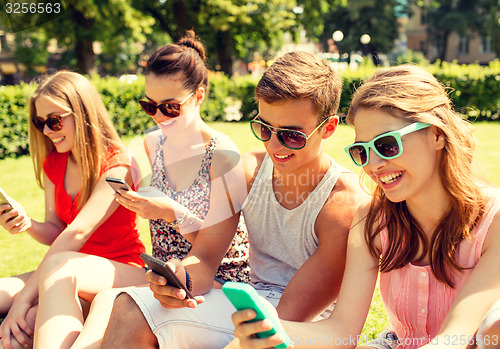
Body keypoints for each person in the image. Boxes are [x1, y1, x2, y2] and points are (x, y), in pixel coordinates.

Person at [94, 50, 365, 349]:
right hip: (246, 302)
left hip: (300, 330)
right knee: (129, 305)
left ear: (328, 128)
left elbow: (291, 314)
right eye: (264, 128)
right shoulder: (249, 169)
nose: (273, 145)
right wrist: (180, 281)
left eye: (291, 136)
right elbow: (207, 256)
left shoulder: (343, 203)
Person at [231, 65, 500, 349]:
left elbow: (453, 338)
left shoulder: (492, 221)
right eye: (362, 151)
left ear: (436, 134)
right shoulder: (372, 221)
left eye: (386, 145)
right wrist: (272, 328)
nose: (373, 165)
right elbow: (341, 332)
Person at [68, 31, 251, 349]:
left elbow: (208, 258)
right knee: (103, 300)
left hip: (219, 284)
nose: (157, 116)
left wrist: (172, 213)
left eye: (170, 107)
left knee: (115, 306)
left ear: (199, 97)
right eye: (148, 106)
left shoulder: (222, 154)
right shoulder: (151, 144)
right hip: (161, 278)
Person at [0, 71, 147, 349]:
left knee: (27, 319)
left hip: (119, 267)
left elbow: (77, 233)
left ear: (83, 113)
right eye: (40, 122)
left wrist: (23, 300)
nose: (46, 131)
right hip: (67, 267)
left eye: (54, 121)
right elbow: (57, 230)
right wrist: (27, 223)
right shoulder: (55, 164)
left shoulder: (118, 166)